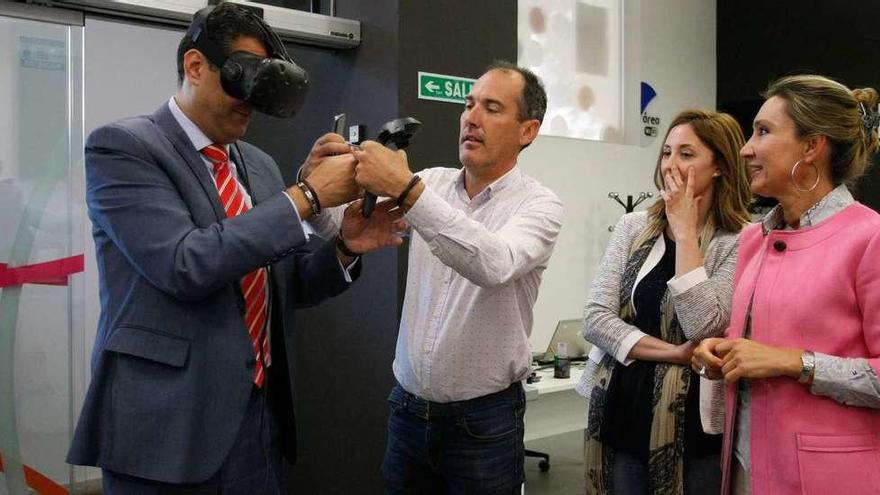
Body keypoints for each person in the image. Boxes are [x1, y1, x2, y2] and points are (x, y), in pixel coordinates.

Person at [65, 3, 402, 493]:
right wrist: (306, 197)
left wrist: (344, 247)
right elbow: (185, 264)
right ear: (196, 66)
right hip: (167, 430)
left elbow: (286, 284)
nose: (250, 98)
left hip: (259, 421)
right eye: (241, 77)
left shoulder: (259, 164)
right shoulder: (125, 148)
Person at [306, 61, 563, 493]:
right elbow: (333, 227)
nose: (471, 118)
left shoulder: (539, 205)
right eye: (469, 104)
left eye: (492, 108)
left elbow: (493, 264)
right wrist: (311, 183)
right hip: (407, 412)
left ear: (527, 131)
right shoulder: (432, 184)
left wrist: (407, 190)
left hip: (484, 423)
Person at [692, 75, 880, 495]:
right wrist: (722, 349)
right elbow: (760, 343)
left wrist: (796, 362)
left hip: (829, 480)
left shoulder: (870, 238)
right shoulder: (752, 240)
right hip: (743, 469)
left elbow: (783, 355)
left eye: (763, 131)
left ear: (812, 146)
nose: (745, 149)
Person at [577, 110, 753, 494]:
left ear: (720, 165)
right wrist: (675, 354)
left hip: (696, 425)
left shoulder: (740, 240)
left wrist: (686, 231)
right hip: (625, 410)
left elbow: (703, 323)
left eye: (687, 154)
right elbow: (594, 319)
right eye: (667, 153)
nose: (672, 164)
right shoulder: (633, 227)